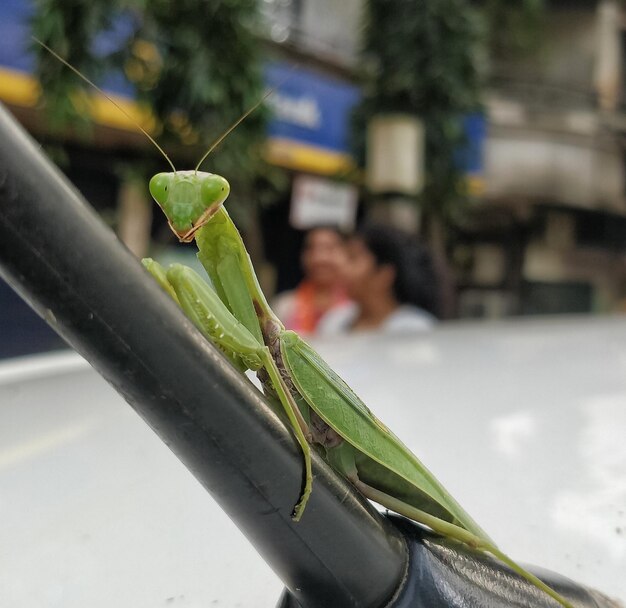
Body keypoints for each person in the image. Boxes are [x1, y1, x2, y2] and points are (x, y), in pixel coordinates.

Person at [317, 224, 438, 334]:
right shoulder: (333, 322)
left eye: (352, 258)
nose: (342, 267)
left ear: (384, 274)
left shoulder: (414, 329)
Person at [272, 226, 349, 334]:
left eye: (329, 248)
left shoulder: (357, 309)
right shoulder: (285, 307)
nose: (320, 258)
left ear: (346, 253)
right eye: (312, 248)